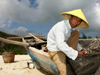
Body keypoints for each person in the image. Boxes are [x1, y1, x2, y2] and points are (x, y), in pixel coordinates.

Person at [47, 9, 89, 75]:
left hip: (63, 46)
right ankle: (71, 53)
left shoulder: (71, 29)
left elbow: (74, 41)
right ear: (70, 17)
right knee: (63, 73)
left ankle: (71, 53)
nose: (76, 22)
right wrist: (77, 53)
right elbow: (60, 44)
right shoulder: (60, 26)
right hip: (56, 50)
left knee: (76, 32)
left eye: (79, 21)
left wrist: (81, 49)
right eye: (75, 19)